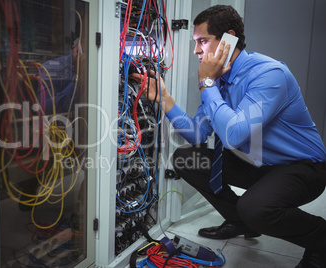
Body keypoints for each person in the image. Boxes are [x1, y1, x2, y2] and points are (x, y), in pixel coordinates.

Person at [132, 5, 326, 268]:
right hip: (259, 164)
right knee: (185, 159)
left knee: (254, 207)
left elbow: (234, 135)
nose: (196, 51)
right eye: (195, 43)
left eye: (202, 42)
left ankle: (319, 239)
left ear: (228, 38)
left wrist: (207, 85)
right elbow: (198, 134)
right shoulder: (219, 81)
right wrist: (165, 99)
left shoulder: (269, 75)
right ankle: (239, 221)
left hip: (303, 168)